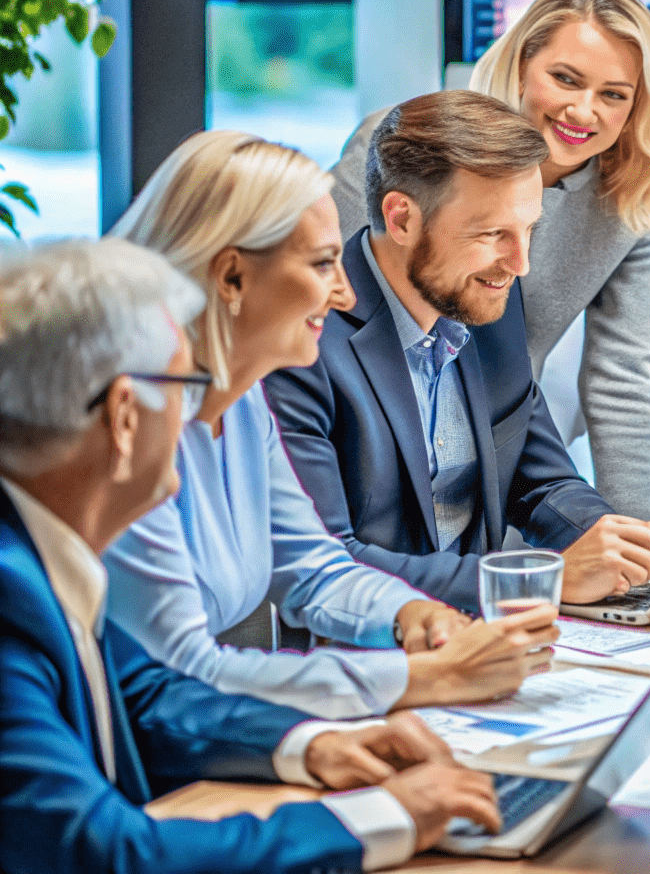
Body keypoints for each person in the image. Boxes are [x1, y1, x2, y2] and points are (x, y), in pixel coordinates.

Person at [0, 238, 503, 874]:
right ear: (125, 417)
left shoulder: (36, 555)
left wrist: (314, 744)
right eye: (183, 384)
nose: (200, 408)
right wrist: (379, 816)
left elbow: (150, 697)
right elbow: (102, 854)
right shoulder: (10, 595)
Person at [104, 131, 560, 718]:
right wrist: (418, 677)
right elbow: (180, 671)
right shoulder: (127, 427)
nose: (345, 291)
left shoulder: (241, 406)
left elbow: (315, 568)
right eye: (324, 264)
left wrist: (410, 616)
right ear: (231, 278)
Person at [267, 90, 650, 612]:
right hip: (370, 652)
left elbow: (541, 481)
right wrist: (538, 579)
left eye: (527, 230)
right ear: (402, 219)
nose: (519, 264)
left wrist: (636, 546)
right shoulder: (301, 343)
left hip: (489, 640)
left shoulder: (484, 302)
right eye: (492, 234)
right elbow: (326, 563)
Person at [329, 0, 650, 522]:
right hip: (366, 462)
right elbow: (312, 300)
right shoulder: (407, 148)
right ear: (521, 63)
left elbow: (621, 380)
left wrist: (641, 552)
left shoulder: (632, 196)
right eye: (565, 79)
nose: (583, 111)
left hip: (503, 464)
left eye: (613, 94)